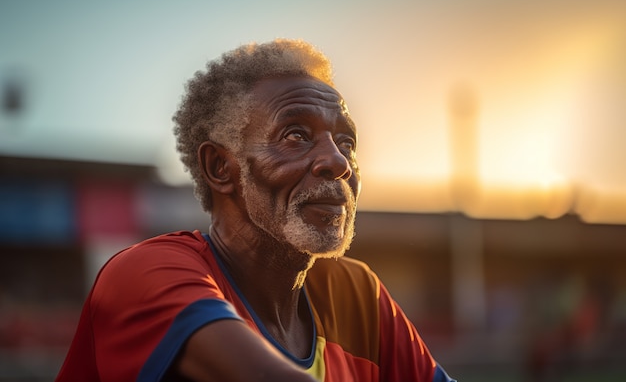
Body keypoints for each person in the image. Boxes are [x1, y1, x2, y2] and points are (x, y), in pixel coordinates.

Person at [55, 39, 457, 382]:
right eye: (296, 134)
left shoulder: (356, 294)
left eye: (346, 143)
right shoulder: (144, 273)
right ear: (220, 167)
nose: (339, 163)